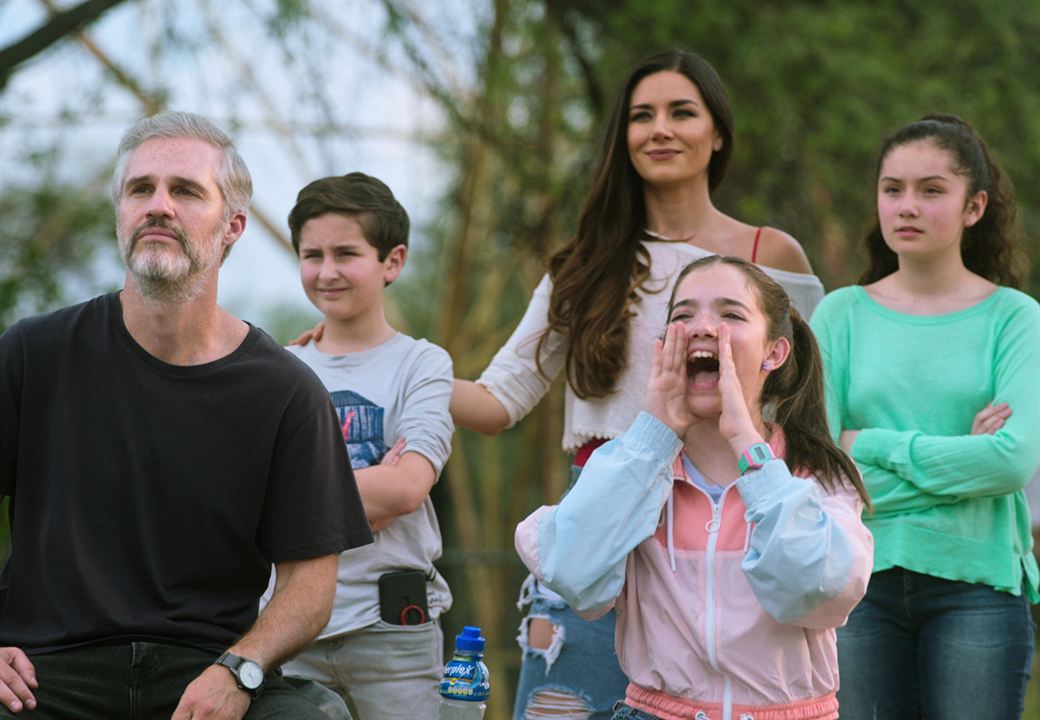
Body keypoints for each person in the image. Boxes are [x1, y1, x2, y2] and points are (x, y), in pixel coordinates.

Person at [449, 49, 826, 719]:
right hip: (596, 529)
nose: (660, 129)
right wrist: (391, 365)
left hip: (726, 532)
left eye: (682, 112)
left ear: (717, 135)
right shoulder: (587, 265)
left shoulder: (772, 255)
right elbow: (498, 400)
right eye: (641, 116)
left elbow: (813, 401)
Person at [0, 112, 373, 720]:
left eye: (186, 190)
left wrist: (240, 669)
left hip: (206, 668)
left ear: (233, 227)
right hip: (45, 673)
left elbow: (310, 588)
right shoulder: (33, 353)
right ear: (120, 214)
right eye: (140, 189)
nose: (158, 205)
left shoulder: (286, 392)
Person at [515, 255, 873, 720]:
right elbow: (574, 573)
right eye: (683, 315)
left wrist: (749, 445)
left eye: (730, 314)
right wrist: (652, 436)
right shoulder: (632, 465)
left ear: (775, 352)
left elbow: (816, 593)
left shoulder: (818, 473)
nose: (703, 326)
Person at [810, 114, 1040, 719]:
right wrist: (959, 460)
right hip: (857, 586)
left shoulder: (1015, 318)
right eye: (893, 189)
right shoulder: (840, 316)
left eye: (931, 190)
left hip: (980, 588)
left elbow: (1011, 462)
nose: (907, 206)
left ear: (974, 206)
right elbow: (815, 466)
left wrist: (869, 443)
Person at [270, 172, 454, 719]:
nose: (327, 271)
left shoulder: (423, 364)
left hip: (394, 632)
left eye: (346, 253)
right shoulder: (276, 369)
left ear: (391, 261)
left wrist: (293, 502)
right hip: (286, 631)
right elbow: (242, 495)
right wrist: (363, 498)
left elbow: (406, 486)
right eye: (312, 254)